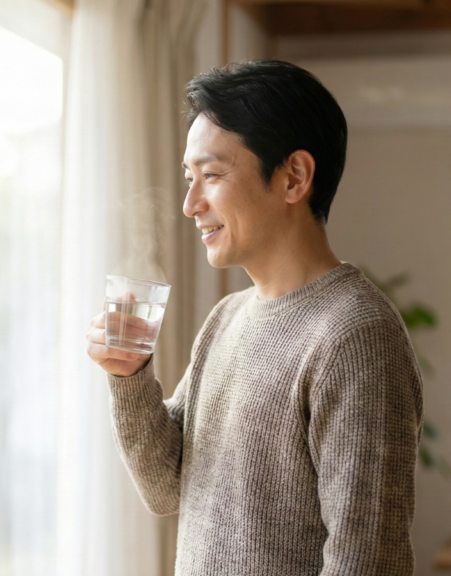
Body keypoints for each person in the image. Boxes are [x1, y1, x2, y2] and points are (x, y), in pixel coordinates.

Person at [85, 60, 423, 575]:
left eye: (212, 175)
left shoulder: (356, 335)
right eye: (188, 179)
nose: (190, 204)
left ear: (294, 178)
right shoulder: (227, 318)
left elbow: (367, 560)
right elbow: (166, 486)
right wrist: (129, 376)